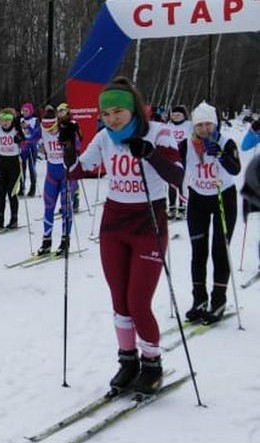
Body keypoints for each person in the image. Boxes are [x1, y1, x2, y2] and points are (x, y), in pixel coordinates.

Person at [65, 77, 184, 395]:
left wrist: (151, 154)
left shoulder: (160, 133)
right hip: (114, 224)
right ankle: (128, 360)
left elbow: (178, 177)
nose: (113, 118)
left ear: (133, 109)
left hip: (149, 222)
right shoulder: (105, 138)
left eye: (118, 111)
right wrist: (66, 156)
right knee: (119, 300)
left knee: (138, 301)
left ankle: (152, 363)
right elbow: (79, 168)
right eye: (106, 114)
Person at [179, 101, 240, 323]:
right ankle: (199, 300)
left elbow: (235, 168)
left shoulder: (226, 141)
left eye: (208, 124)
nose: (205, 129)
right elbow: (178, 166)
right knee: (198, 251)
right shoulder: (186, 144)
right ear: (194, 126)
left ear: (215, 124)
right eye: (200, 125)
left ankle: (218, 300)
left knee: (219, 251)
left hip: (224, 197)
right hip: (198, 199)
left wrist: (222, 155)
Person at [37, 107, 75, 255]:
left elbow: (78, 146)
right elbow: (29, 140)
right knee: (48, 207)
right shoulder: (43, 130)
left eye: (52, 128)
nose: (49, 132)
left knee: (66, 208)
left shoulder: (66, 130)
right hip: (51, 174)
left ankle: (65, 241)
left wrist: (71, 147)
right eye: (46, 128)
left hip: (66, 173)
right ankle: (46, 241)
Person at [165, 105, 192, 220]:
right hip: (171, 157)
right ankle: (172, 207)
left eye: (178, 115)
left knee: (182, 183)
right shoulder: (168, 126)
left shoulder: (189, 125)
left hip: (183, 157)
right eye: (174, 115)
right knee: (171, 183)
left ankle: (182, 207)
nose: (175, 117)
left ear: (184, 116)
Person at [19, 102, 41, 197]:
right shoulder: (20, 120)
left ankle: (33, 188)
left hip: (32, 146)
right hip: (23, 146)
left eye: (26, 111)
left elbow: (36, 134)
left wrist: (28, 127)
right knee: (21, 168)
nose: (24, 112)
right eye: (23, 111)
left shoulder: (35, 120)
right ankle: (21, 187)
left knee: (32, 168)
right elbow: (18, 133)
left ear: (31, 111)